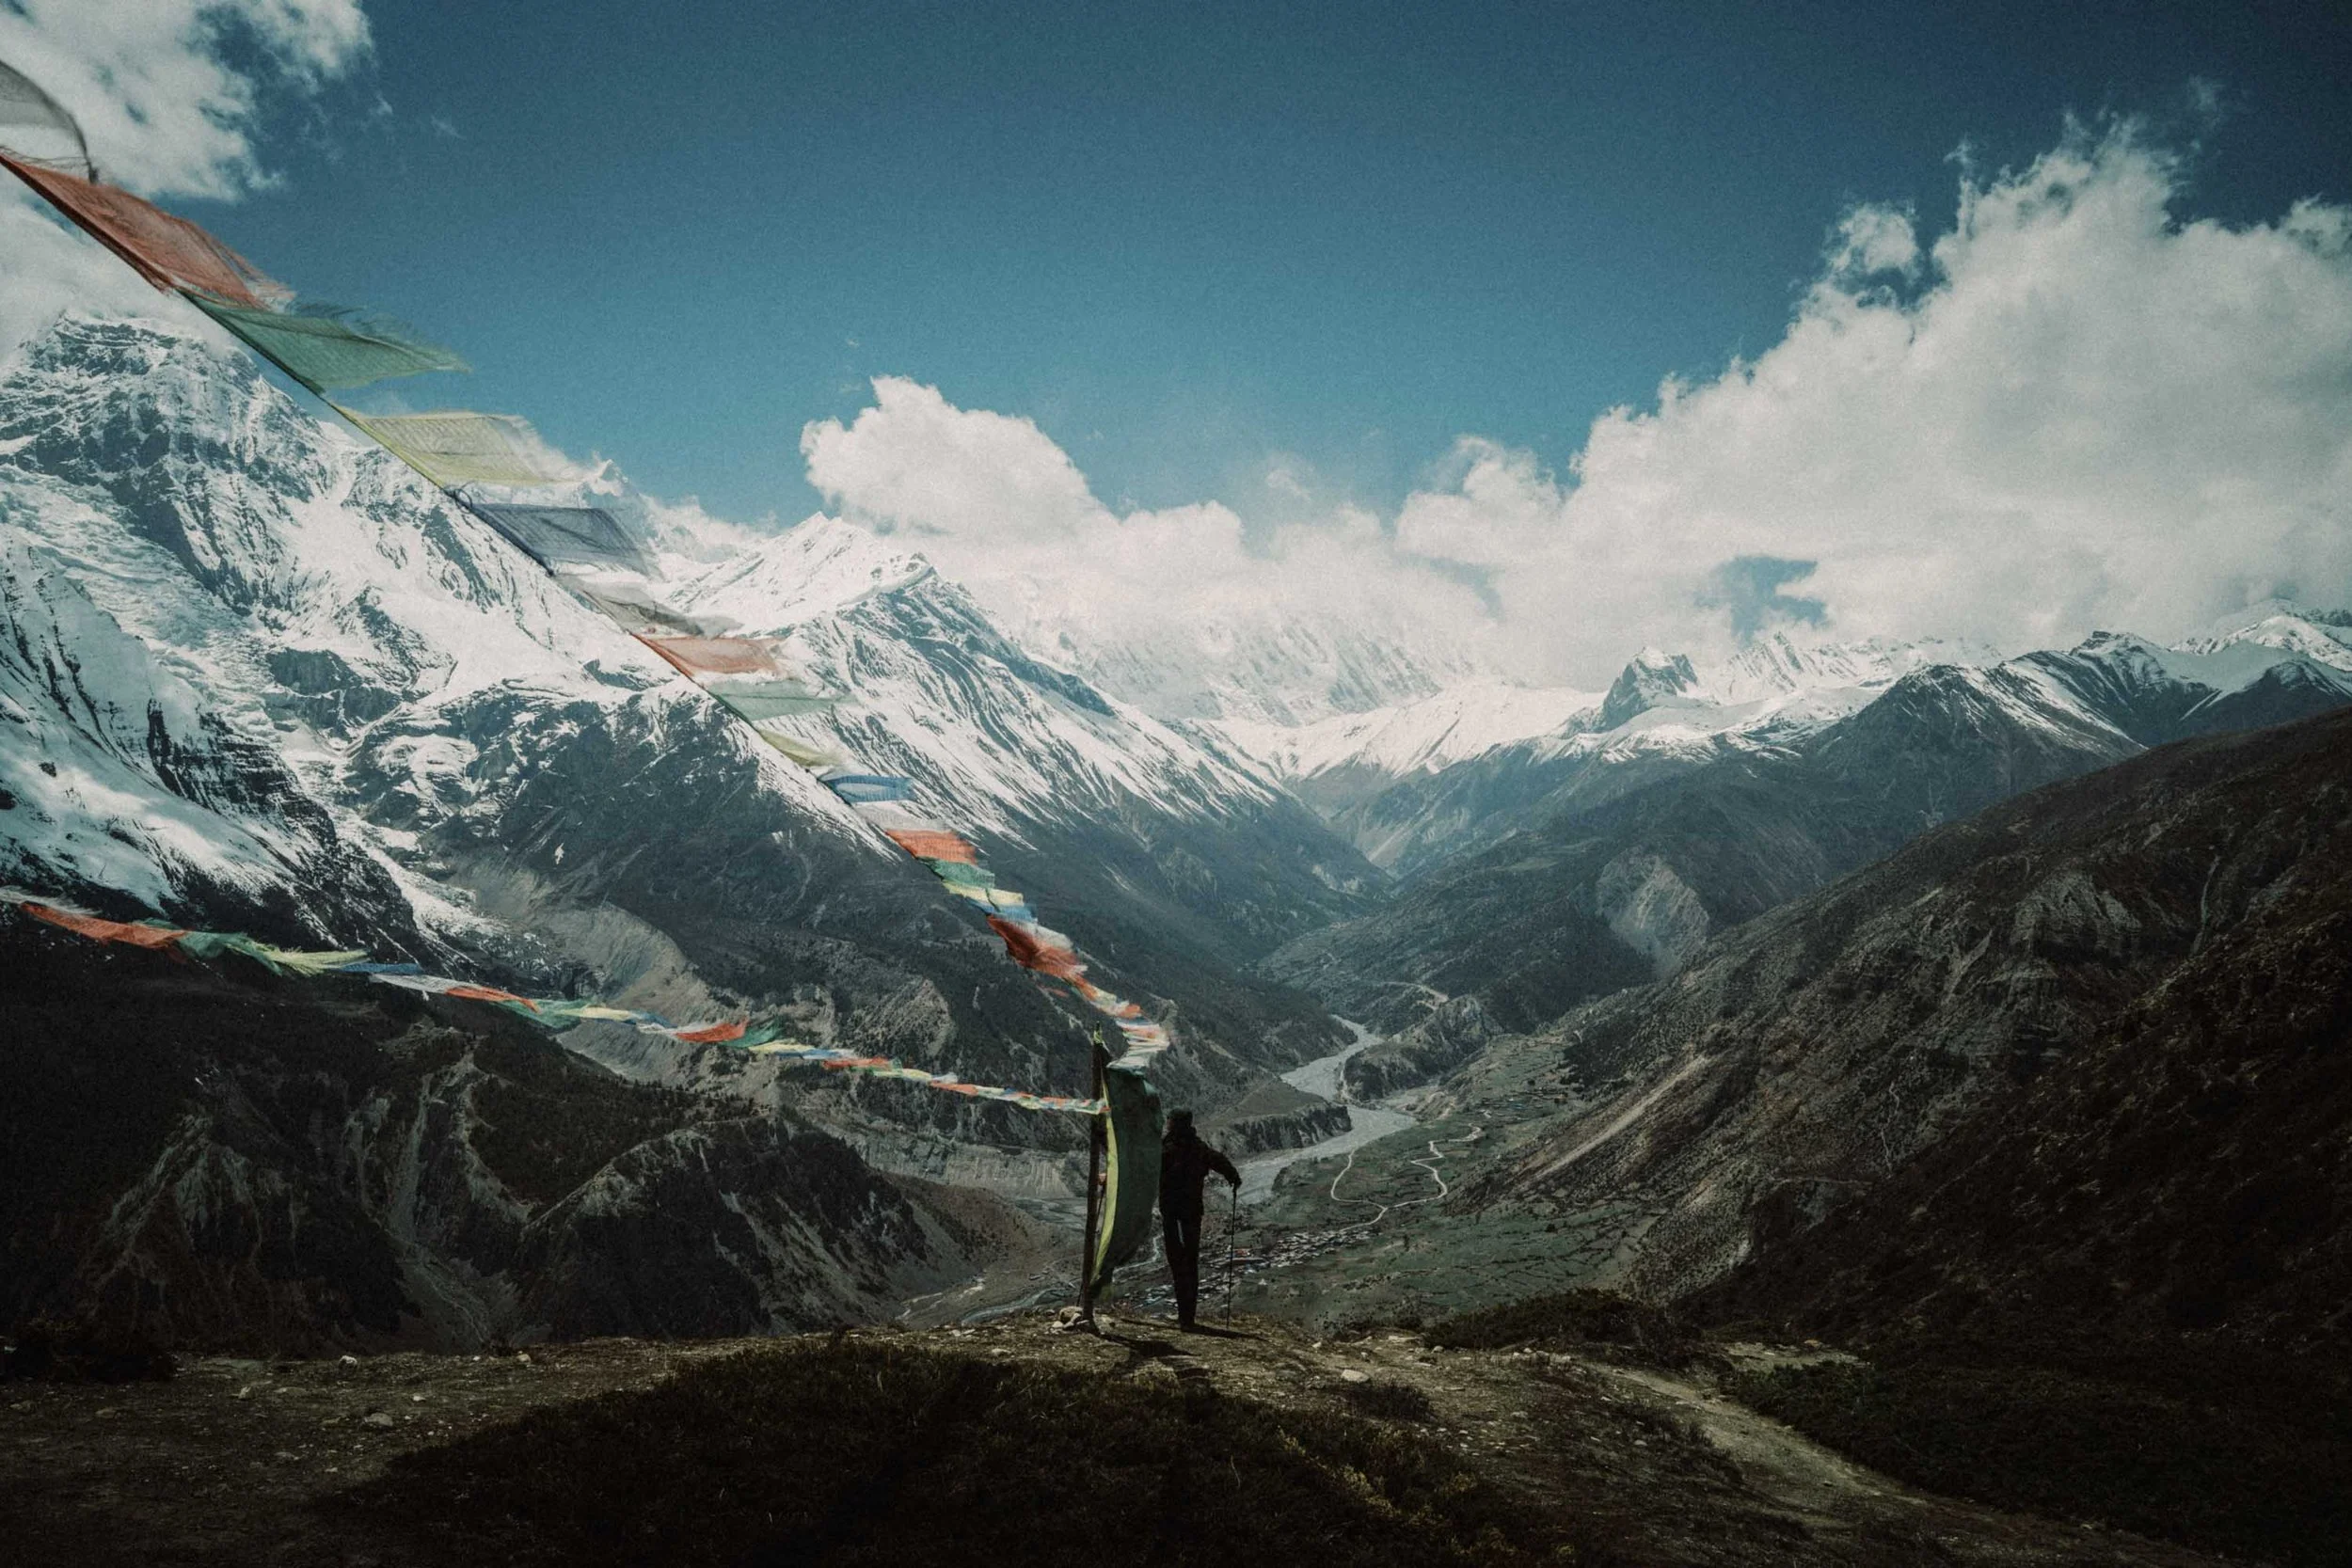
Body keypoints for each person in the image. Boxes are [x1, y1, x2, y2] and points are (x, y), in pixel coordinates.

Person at [1159, 1109, 1240, 1331]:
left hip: (1172, 1214)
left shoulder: (1166, 1149)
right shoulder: (1198, 1148)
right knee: (1190, 1263)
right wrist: (1233, 1177)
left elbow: (1143, 1166)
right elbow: (1220, 1161)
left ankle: (1184, 1318)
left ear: (1175, 1124)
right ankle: (1188, 1318)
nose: (1167, 1123)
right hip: (1193, 1212)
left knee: (1177, 1263)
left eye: (1170, 1120)